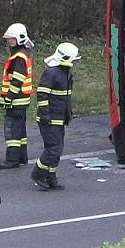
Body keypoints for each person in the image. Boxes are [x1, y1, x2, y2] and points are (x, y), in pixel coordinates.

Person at [31, 43, 80, 191]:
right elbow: (42, 93)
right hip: (50, 119)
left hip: (59, 118)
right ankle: (38, 174)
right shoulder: (52, 73)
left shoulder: (64, 72)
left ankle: (51, 176)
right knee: (53, 149)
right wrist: (45, 113)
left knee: (57, 149)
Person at [0, 23, 34, 169]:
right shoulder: (23, 54)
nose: (9, 42)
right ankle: (22, 157)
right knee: (20, 130)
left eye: (11, 40)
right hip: (22, 99)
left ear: (19, 39)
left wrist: (9, 97)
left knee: (12, 130)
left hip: (17, 100)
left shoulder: (19, 57)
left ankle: (12, 159)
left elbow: (17, 79)